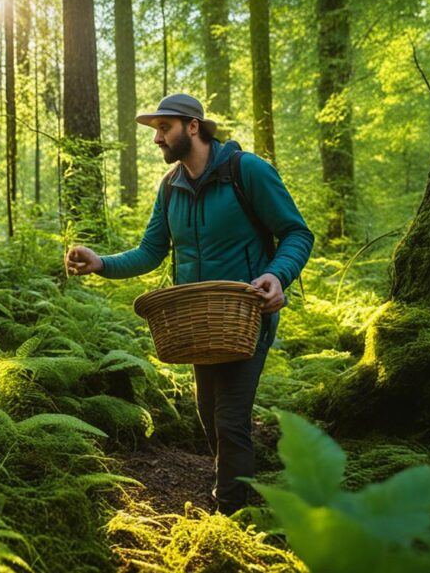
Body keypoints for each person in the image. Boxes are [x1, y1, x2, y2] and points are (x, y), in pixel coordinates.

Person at [64, 93, 314, 514]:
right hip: (197, 324)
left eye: (164, 128)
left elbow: (296, 233)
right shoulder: (170, 188)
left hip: (246, 317)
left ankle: (230, 517)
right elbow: (150, 251)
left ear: (192, 127)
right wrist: (100, 263)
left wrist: (277, 275)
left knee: (231, 421)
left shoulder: (245, 171)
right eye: (156, 131)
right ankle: (233, 487)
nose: (157, 139)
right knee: (208, 415)